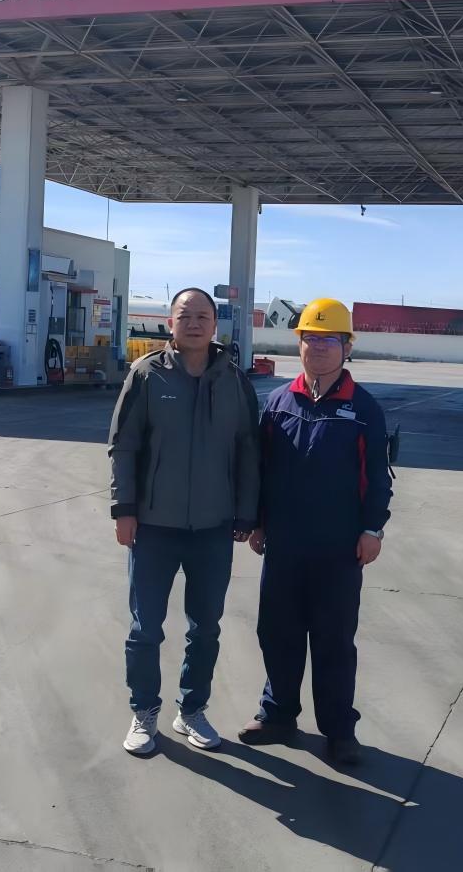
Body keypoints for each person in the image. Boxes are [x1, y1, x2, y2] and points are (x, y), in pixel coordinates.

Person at [238, 297, 392, 767]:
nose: (319, 347)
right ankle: (278, 714)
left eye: (329, 340)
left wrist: (372, 529)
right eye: (311, 338)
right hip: (284, 545)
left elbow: (378, 477)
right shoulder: (278, 402)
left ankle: (339, 730)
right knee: (277, 632)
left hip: (338, 549)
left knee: (334, 640)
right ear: (299, 344)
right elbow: (262, 469)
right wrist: (259, 521)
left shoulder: (364, 409)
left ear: (348, 347)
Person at [108, 287, 260, 756]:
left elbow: (248, 451)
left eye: (202, 316)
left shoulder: (234, 381)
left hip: (213, 529)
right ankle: (144, 712)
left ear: (215, 325)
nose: (194, 324)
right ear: (169, 324)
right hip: (153, 527)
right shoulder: (146, 375)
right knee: (145, 628)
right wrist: (124, 509)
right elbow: (124, 445)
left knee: (206, 627)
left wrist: (247, 513)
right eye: (184, 316)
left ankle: (191, 710)